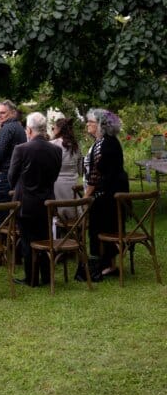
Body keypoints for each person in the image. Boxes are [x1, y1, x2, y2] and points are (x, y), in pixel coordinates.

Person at [8, 112, 62, 286]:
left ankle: (31, 278)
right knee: (45, 237)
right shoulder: (56, 150)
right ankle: (46, 276)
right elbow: (54, 175)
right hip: (47, 200)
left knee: (27, 240)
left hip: (26, 202)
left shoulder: (21, 149)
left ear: (29, 130)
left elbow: (11, 177)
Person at [83, 109, 129, 281]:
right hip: (110, 192)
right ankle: (107, 263)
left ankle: (104, 265)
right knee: (100, 224)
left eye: (91, 122)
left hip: (109, 195)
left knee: (99, 225)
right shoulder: (103, 142)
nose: (87, 124)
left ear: (101, 125)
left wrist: (86, 196)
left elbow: (97, 172)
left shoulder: (106, 144)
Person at [0, 100, 26, 231]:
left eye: (3, 113)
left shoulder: (7, 128)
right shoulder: (19, 127)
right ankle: (12, 247)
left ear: (12, 113)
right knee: (12, 215)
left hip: (5, 176)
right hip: (17, 176)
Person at [50, 117, 84, 222]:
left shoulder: (53, 144)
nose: (52, 130)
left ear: (58, 129)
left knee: (57, 214)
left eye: (53, 128)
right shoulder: (76, 146)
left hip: (56, 187)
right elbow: (80, 170)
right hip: (72, 187)